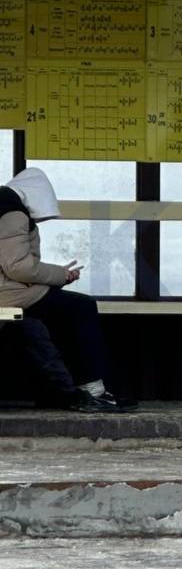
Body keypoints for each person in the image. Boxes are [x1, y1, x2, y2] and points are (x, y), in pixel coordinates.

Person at [0, 167, 135, 412]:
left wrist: (56, 278)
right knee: (81, 307)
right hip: (7, 297)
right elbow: (18, 268)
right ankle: (92, 389)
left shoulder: (4, 207)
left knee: (48, 318)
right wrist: (61, 275)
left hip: (9, 296)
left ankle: (65, 392)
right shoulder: (13, 214)